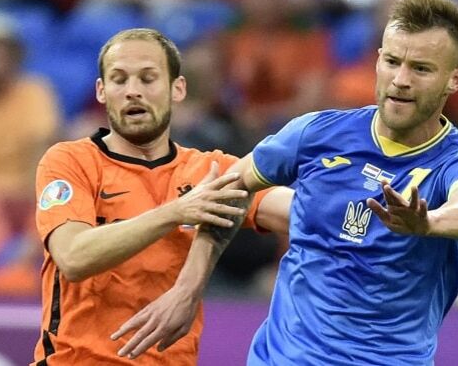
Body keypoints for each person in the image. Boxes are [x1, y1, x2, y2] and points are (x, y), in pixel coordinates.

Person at [113, 0, 458, 365]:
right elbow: (228, 189)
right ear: (377, 60)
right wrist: (188, 288)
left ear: (454, 79)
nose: (401, 79)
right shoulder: (317, 134)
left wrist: (429, 222)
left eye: (420, 68)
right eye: (392, 62)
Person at [31, 28, 292, 365]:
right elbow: (73, 257)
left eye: (147, 78)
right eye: (119, 79)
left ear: (177, 88)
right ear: (101, 91)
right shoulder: (70, 161)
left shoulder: (209, 170)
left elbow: (298, 211)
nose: (132, 91)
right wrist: (177, 212)